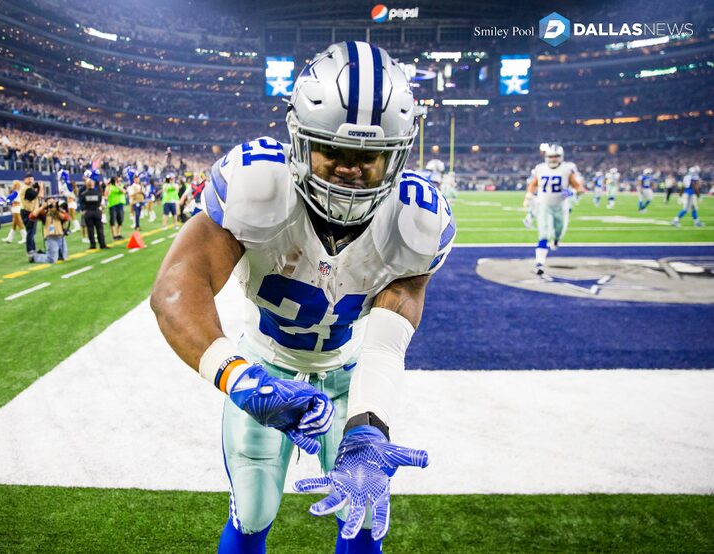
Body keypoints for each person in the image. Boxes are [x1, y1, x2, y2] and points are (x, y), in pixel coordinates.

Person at [150, 41, 453, 553]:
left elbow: (383, 344)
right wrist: (239, 378)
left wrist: (369, 426)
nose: (349, 168)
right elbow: (175, 293)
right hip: (264, 364)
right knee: (253, 509)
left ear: (397, 156)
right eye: (332, 149)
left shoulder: (415, 220)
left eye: (369, 157)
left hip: (349, 369)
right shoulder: (258, 186)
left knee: (362, 511)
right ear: (298, 139)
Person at [525, 144, 585, 275]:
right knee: (543, 234)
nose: (553, 159)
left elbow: (579, 188)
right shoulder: (540, 169)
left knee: (559, 231)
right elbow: (533, 184)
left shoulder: (566, 169)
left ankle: (556, 239)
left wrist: (571, 193)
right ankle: (540, 263)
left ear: (561, 157)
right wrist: (529, 195)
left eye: (556, 157)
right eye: (551, 157)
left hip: (561, 206)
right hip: (544, 205)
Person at [28, 197, 69, 263]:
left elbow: (66, 218)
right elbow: (31, 216)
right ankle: (34, 257)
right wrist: (42, 207)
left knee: (64, 257)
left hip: (61, 236)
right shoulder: (44, 212)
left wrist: (57, 212)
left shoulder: (59, 209)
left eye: (53, 202)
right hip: (50, 236)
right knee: (51, 259)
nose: (52, 204)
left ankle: (49, 254)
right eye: (50, 202)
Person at [78, 170, 108, 249]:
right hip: (97, 211)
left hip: (88, 212)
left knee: (90, 229)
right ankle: (102, 244)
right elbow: (99, 202)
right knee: (99, 229)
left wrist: (84, 210)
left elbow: (81, 203)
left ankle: (92, 245)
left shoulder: (83, 194)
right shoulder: (97, 193)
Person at [19, 173, 41, 254]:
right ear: (24, 180)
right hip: (27, 212)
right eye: (29, 179)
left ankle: (33, 249)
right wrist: (40, 188)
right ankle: (30, 250)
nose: (31, 181)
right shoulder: (26, 188)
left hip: (31, 211)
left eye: (32, 179)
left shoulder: (29, 188)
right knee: (30, 231)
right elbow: (37, 195)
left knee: (31, 231)